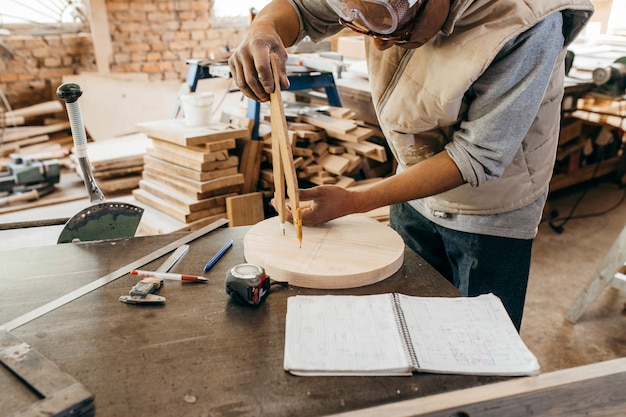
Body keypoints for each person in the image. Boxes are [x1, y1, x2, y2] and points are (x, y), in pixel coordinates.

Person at [228, 0, 594, 330]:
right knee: (409, 325)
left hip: (491, 213)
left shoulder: (527, 23)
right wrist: (263, 28)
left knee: (479, 346)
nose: (380, 45)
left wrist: (355, 201)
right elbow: (301, 10)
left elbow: (478, 155)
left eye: (395, 32)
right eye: (365, 30)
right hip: (413, 186)